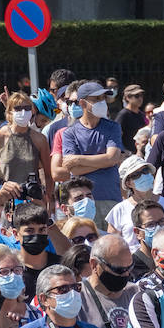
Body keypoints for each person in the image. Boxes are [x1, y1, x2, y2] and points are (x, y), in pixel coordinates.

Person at [53, 81, 126, 223]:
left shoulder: (113, 127)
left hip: (111, 199)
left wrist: (79, 159)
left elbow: (112, 158)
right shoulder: (69, 133)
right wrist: (106, 162)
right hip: (82, 204)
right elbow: (73, 169)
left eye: (103, 99)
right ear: (83, 103)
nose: (102, 102)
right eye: (96, 99)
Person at [0, 91, 53, 205]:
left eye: (27, 108)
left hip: (32, 201)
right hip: (5, 200)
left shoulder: (40, 139)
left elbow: (49, 175)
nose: (23, 112)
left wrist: (47, 200)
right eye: (18, 108)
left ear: (32, 111)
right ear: (10, 112)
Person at [78, 234, 138, 328]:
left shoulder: (136, 293)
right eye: (119, 270)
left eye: (130, 268)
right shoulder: (77, 298)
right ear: (94, 264)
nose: (126, 274)